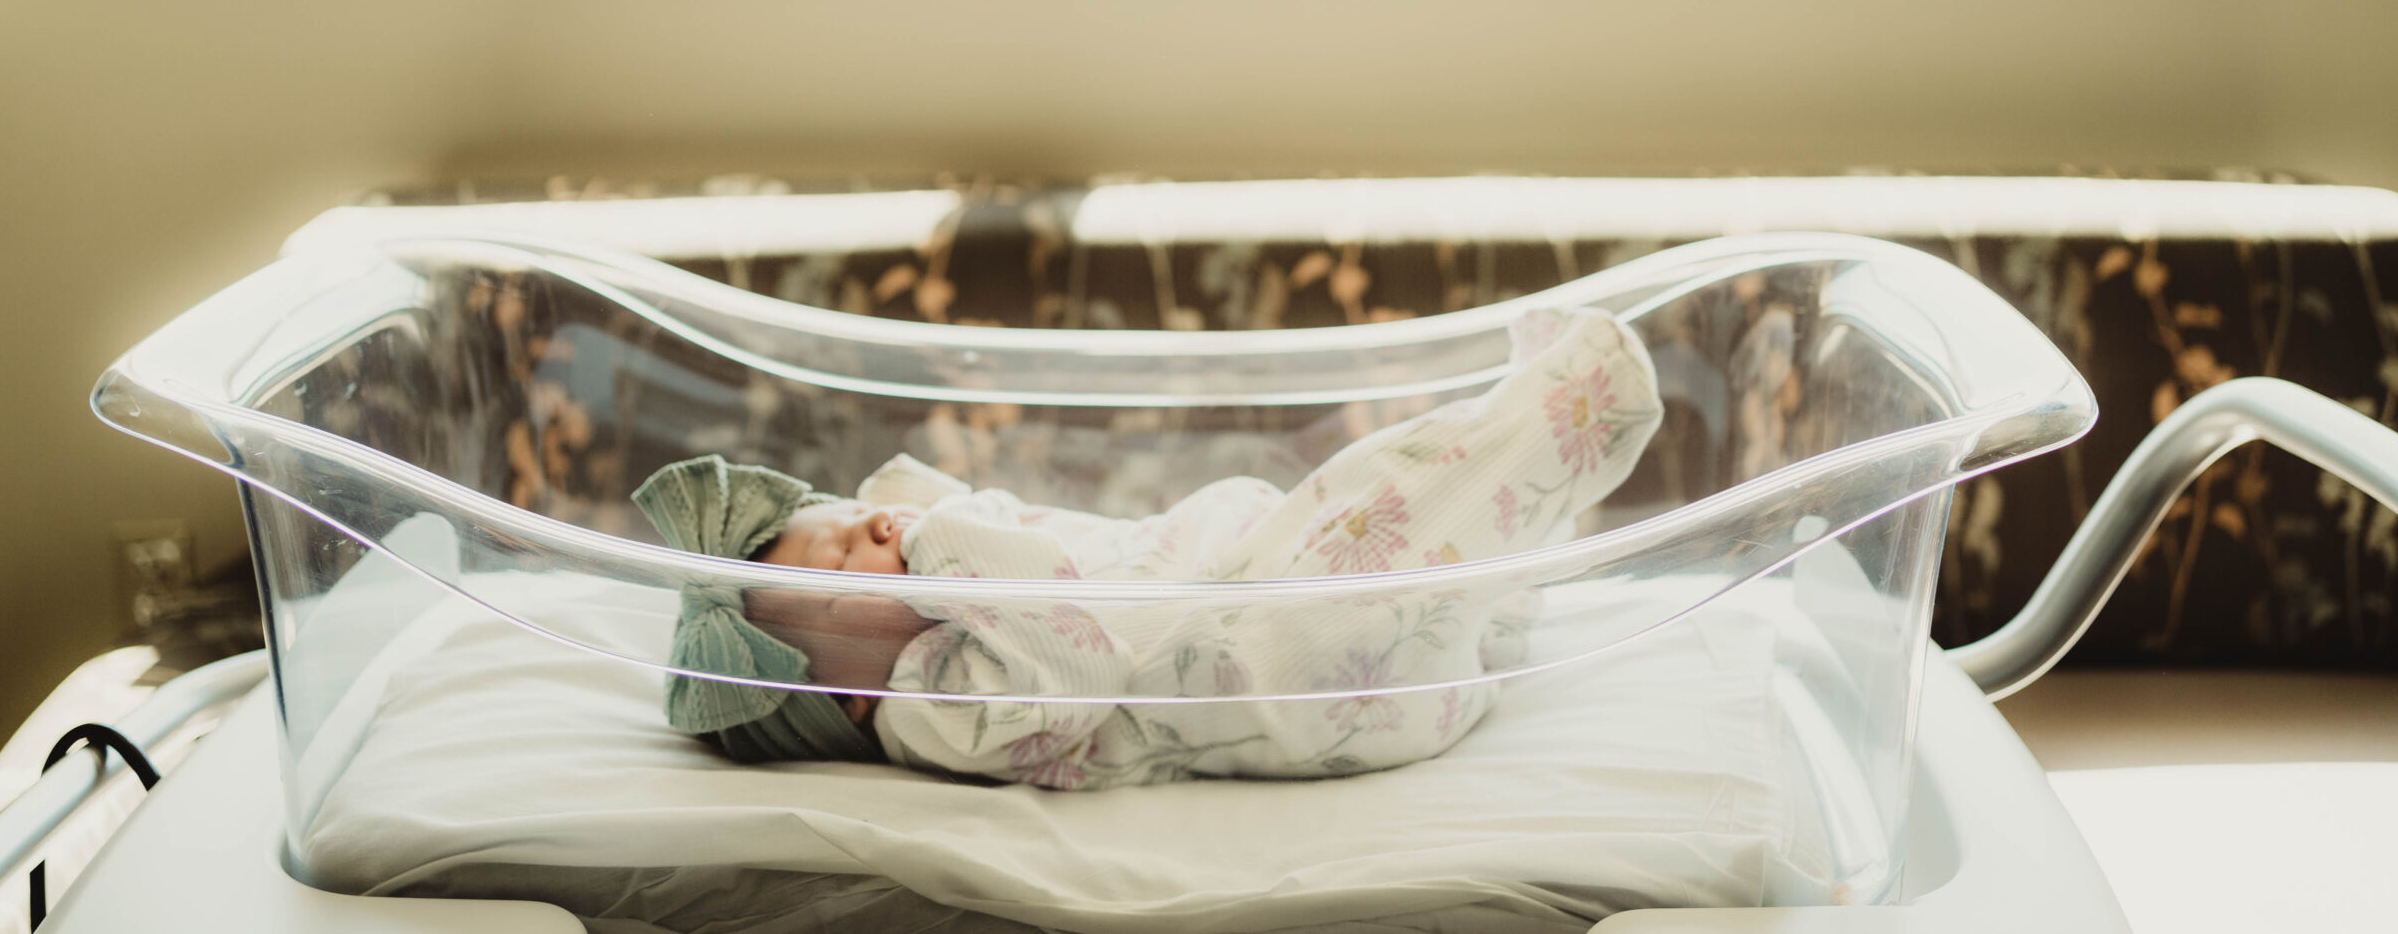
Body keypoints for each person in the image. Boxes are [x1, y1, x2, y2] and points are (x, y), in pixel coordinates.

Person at [633, 305, 1662, 789]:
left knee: (1408, 542)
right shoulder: (935, 717)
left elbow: (990, 522)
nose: (878, 532)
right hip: (1288, 674)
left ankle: (1502, 591)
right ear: (849, 698)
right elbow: (1074, 648)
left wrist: (905, 512)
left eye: (851, 521)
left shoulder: (937, 603)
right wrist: (938, 537)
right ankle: (1575, 407)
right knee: (1380, 507)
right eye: (844, 563)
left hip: (1281, 600)